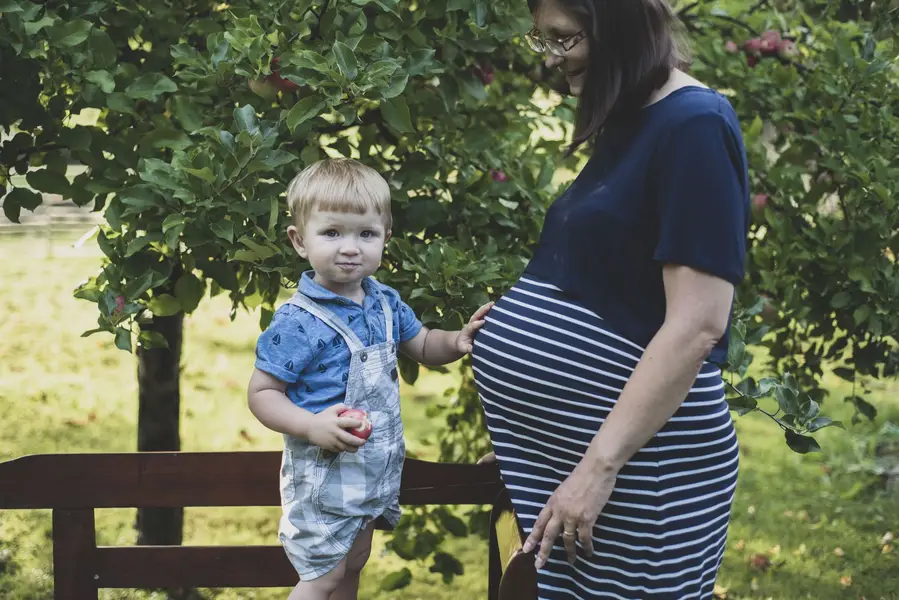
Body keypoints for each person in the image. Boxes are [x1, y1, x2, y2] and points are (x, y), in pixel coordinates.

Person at [471, 0, 750, 598]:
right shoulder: (633, 120)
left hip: (642, 477)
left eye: (565, 40)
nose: (550, 60)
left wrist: (598, 469)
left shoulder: (695, 124)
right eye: (542, 41)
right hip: (580, 463)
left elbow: (698, 324)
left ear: (620, 24)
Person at [247, 158, 492, 600]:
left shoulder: (385, 302)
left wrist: (455, 341)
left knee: (353, 564)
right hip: (324, 474)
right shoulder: (298, 322)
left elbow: (422, 344)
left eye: (366, 234)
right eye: (332, 233)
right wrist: (310, 425)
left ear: (386, 239)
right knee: (321, 576)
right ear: (299, 241)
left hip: (373, 470)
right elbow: (262, 393)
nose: (350, 247)